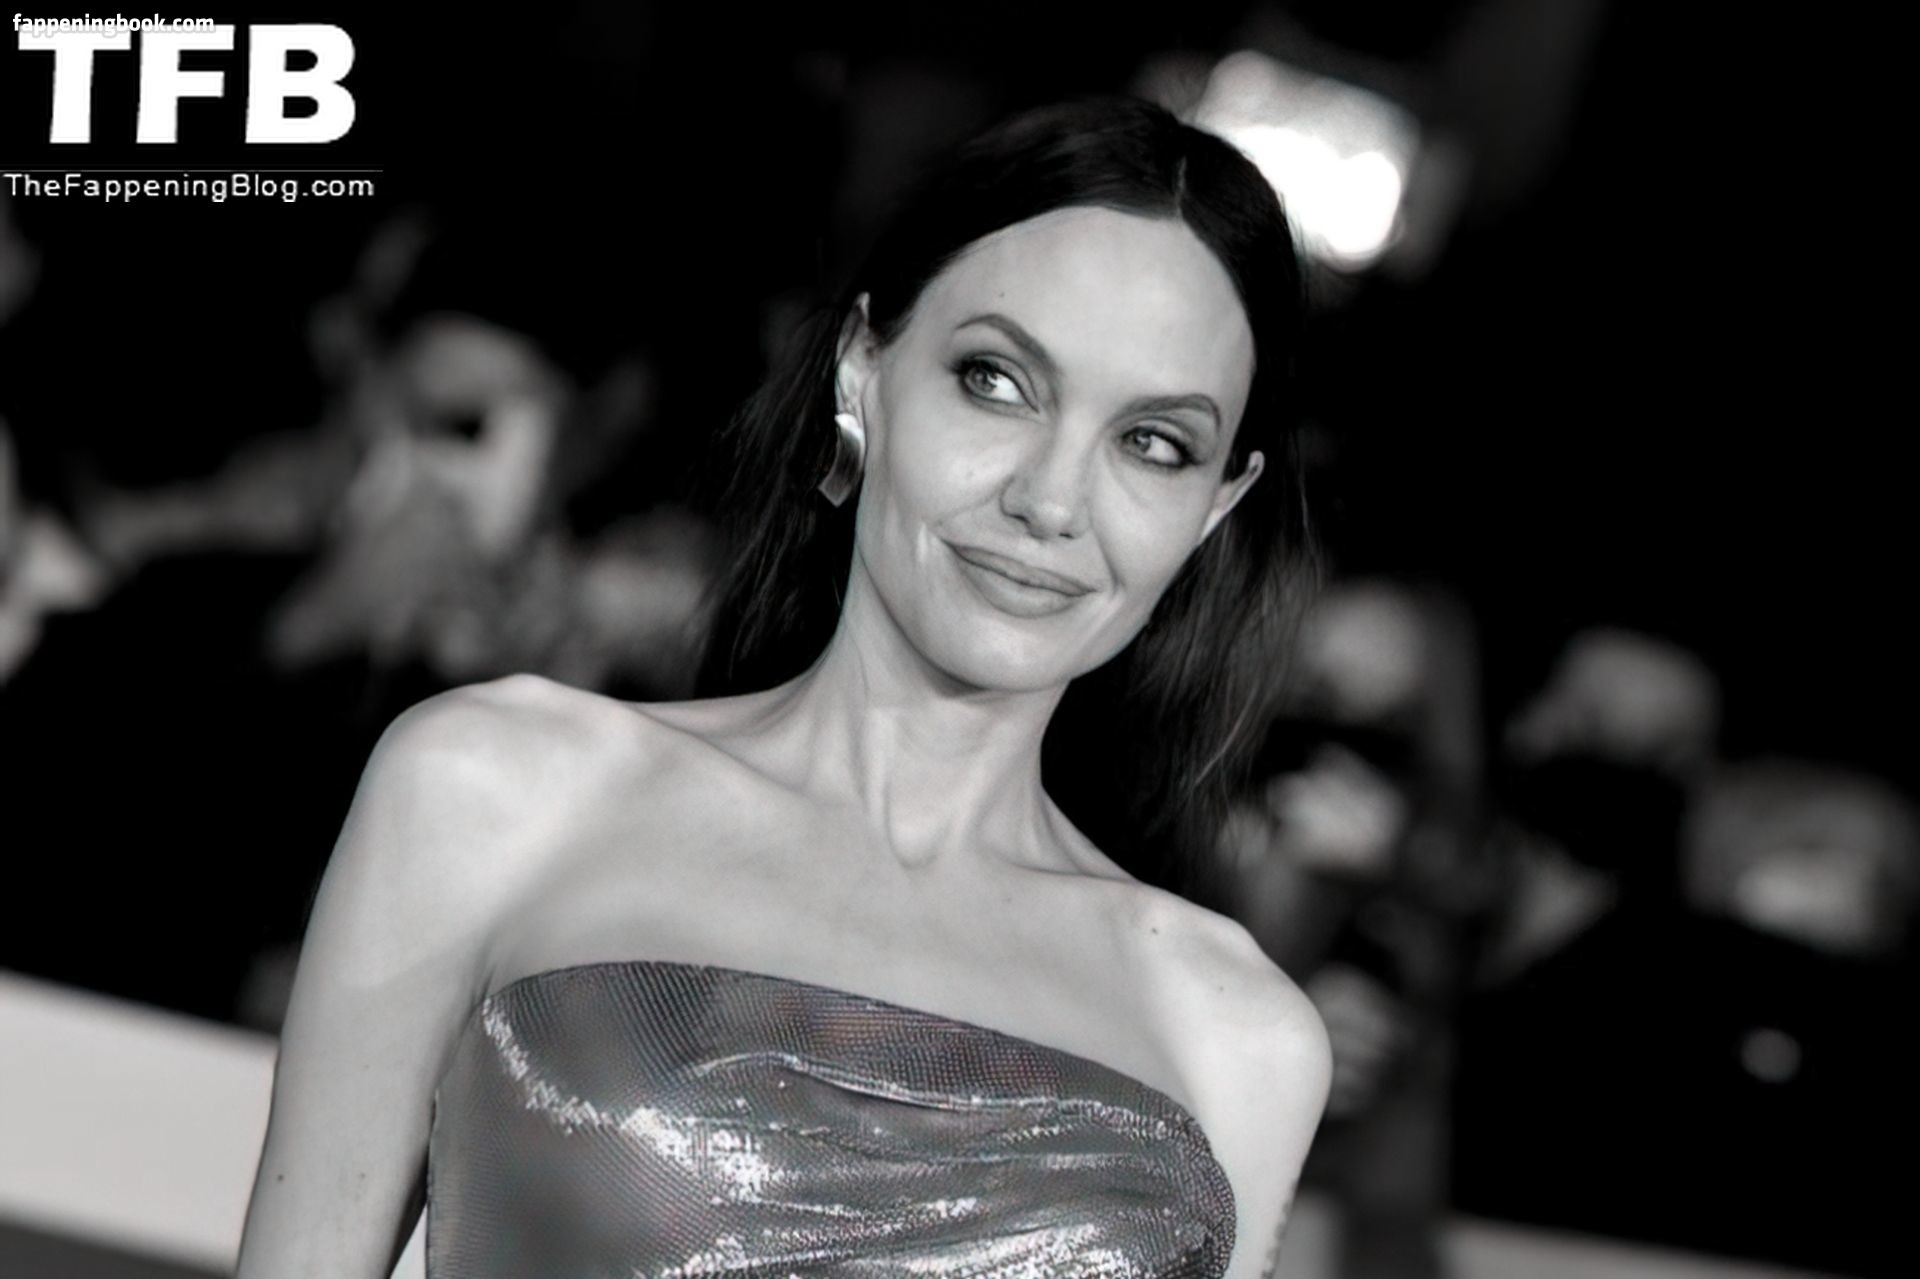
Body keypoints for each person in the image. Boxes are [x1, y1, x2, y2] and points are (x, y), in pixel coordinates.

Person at [236, 96, 1331, 1279]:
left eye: (1154, 443)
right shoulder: (494, 791)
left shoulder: (1236, 1033)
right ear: (865, 370)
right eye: (997, 381)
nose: (1053, 501)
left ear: (1215, 505)